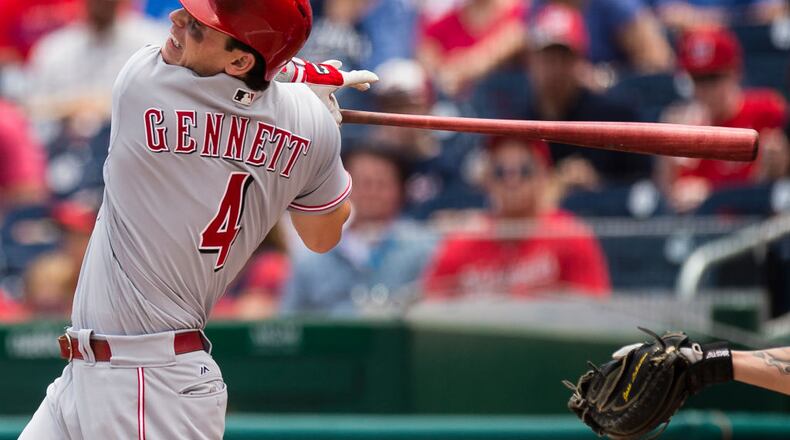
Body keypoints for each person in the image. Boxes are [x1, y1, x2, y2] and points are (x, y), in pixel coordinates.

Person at [19, 1, 377, 438]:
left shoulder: (145, 81)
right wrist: (320, 136)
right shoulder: (308, 124)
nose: (177, 22)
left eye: (198, 27)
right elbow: (322, 234)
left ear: (241, 58)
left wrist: (300, 76)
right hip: (99, 375)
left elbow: (246, 83)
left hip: (150, 382)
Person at [474, 3, 653, 191]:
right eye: (546, 58)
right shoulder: (515, 122)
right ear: (530, 61)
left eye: (563, 58)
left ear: (578, 61)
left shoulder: (615, 118)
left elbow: (643, 185)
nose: (554, 68)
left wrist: (600, 184)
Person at [423, 137, 611, 299]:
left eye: (525, 171)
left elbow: (593, 313)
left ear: (543, 176)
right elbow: (431, 309)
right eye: (500, 172)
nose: (512, 181)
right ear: (487, 180)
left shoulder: (570, 235)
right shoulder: (464, 239)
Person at [281, 145, 435, 315]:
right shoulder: (310, 257)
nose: (372, 192)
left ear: (400, 190)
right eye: (363, 183)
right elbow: (289, 321)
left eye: (382, 184)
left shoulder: (426, 249)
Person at [658, 26, 788, 212]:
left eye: (713, 78)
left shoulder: (767, 108)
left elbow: (768, 183)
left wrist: (711, 193)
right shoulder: (689, 126)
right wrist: (666, 155)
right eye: (697, 79)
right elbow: (676, 197)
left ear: (734, 72)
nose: (704, 89)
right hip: (708, 232)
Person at [25, 0, 167, 127]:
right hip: (65, 146)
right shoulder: (54, 48)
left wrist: (104, 107)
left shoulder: (153, 43)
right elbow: (34, 109)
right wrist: (69, 107)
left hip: (130, 143)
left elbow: (161, 106)